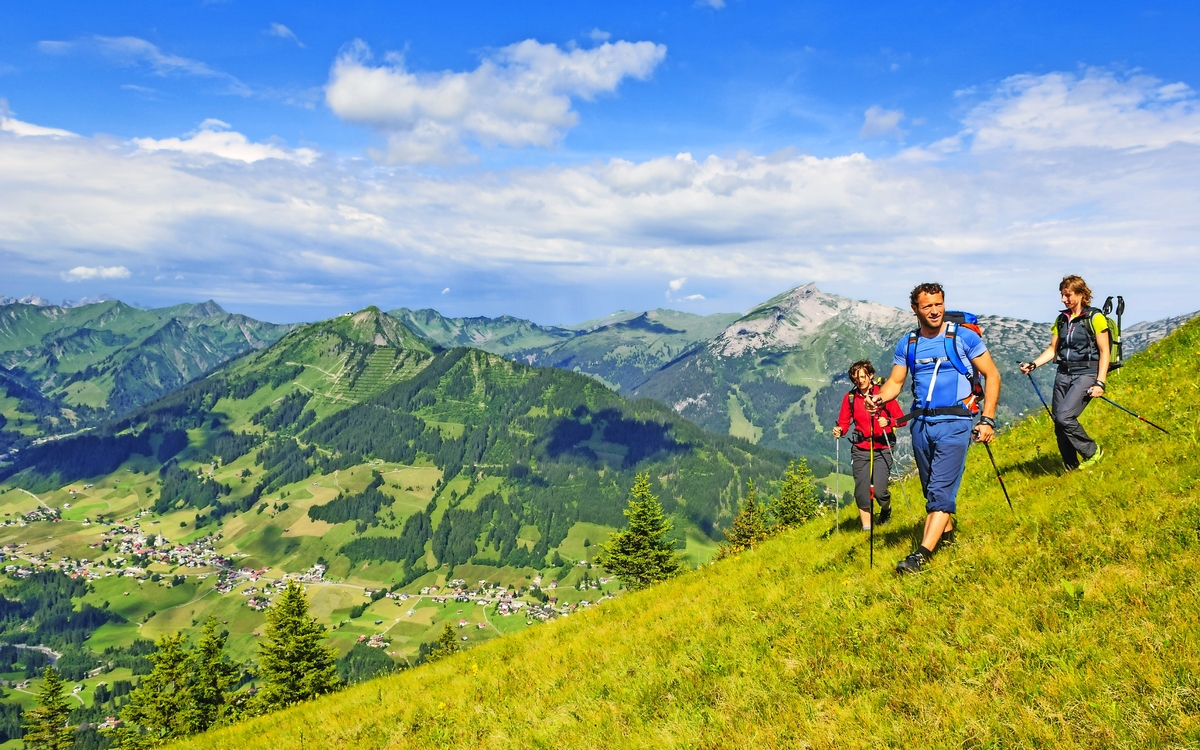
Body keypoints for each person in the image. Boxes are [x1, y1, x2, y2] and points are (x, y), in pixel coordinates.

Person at [867, 282, 1001, 574]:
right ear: (915, 309)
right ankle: (948, 539)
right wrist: (877, 399)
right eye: (927, 306)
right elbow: (895, 382)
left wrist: (987, 419)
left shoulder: (964, 337)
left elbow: (992, 375)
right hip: (922, 425)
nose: (935, 310)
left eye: (938, 304)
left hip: (956, 423)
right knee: (931, 491)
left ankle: (921, 556)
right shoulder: (909, 343)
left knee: (941, 491)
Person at [1018, 275, 1109, 470]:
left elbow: (1104, 351)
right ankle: (1071, 468)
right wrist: (1033, 364)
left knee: (1064, 416)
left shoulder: (1095, 318)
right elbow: (1053, 349)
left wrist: (1100, 382)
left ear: (1081, 294)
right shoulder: (1062, 319)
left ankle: (1092, 451)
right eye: (1062, 295)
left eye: (1067, 295)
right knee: (1059, 425)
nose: (1063, 299)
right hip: (1064, 373)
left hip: (1086, 373)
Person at [832, 360, 904, 531]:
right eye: (856, 379)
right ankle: (867, 530)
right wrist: (840, 430)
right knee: (861, 492)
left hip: (882, 447)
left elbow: (900, 419)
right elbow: (844, 422)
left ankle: (886, 509)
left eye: (863, 377)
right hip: (860, 448)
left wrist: (888, 421)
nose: (860, 381)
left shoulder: (883, 394)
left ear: (871, 375)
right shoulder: (850, 398)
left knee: (879, 491)